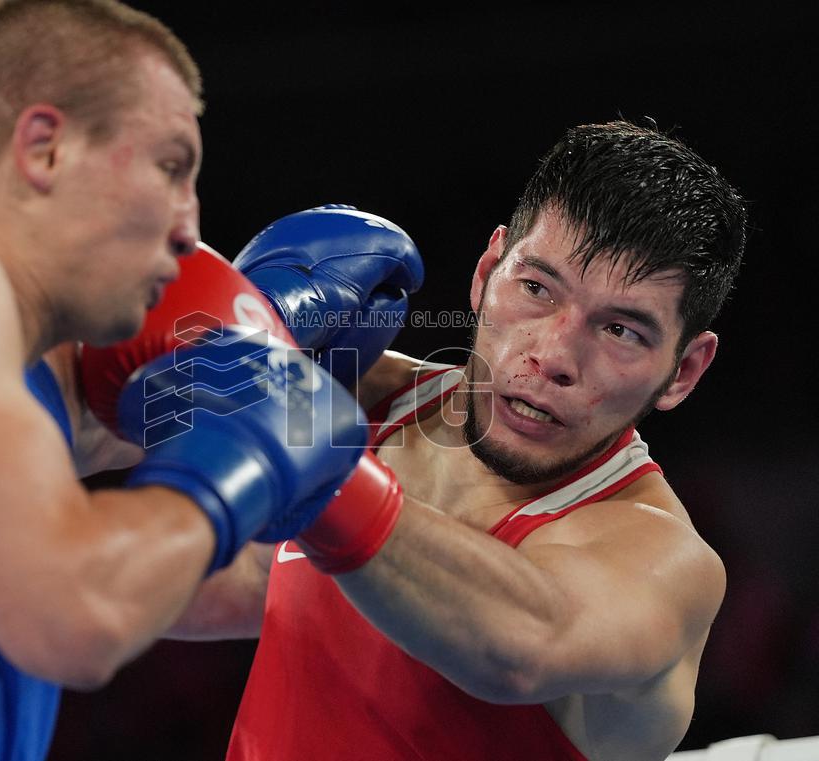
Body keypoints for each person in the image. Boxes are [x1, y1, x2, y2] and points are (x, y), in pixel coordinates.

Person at [0, 1, 396, 758]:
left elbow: (207, 576)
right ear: (45, 147)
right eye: (170, 167)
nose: (191, 225)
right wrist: (249, 451)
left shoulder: (16, 380)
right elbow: (77, 612)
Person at [106, 120, 746, 761]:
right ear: (487, 271)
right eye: (536, 288)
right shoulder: (363, 399)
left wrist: (315, 464)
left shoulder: (664, 562)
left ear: (683, 371)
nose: (553, 355)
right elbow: (160, 579)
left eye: (622, 331)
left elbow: (525, 645)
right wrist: (211, 334)